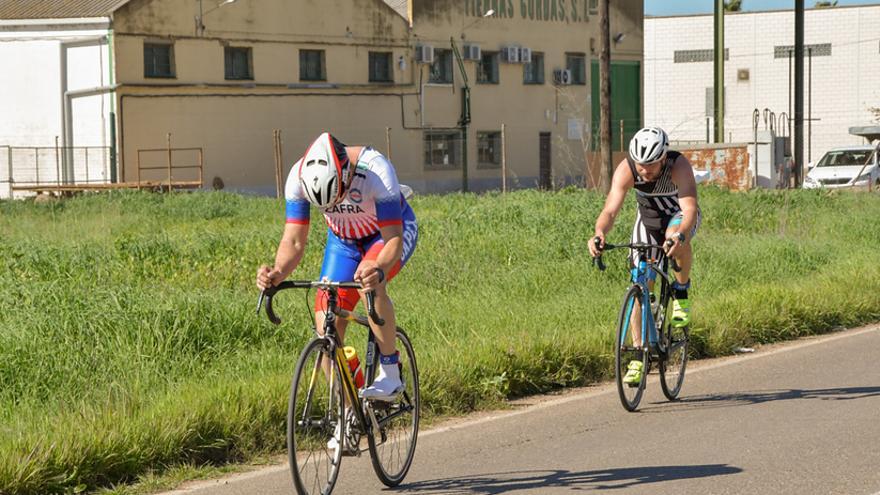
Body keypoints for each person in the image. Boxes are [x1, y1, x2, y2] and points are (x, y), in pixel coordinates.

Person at [256, 132, 418, 402]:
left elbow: (393, 240)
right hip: (343, 240)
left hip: (385, 233)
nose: (333, 207)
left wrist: (377, 269)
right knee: (326, 324)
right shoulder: (298, 178)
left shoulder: (376, 170)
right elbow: (294, 241)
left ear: (344, 176)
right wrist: (277, 273)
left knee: (371, 282)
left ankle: (390, 371)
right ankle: (347, 408)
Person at [588, 126, 701, 386]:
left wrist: (680, 235)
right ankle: (638, 356)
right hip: (648, 223)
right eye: (641, 165)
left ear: (663, 158)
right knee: (639, 283)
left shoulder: (678, 166)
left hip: (679, 218)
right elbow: (610, 211)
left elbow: (690, 208)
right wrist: (599, 233)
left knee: (675, 234)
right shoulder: (627, 169)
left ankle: (681, 291)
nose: (644, 171)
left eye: (650, 165)